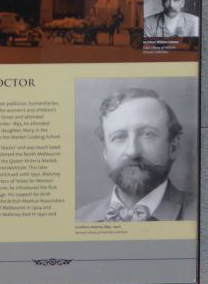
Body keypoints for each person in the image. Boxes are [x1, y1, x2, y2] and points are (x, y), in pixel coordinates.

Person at [75, 88, 196, 222]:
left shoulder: (201, 216)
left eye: (148, 134)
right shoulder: (78, 220)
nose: (132, 152)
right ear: (105, 151)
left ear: (173, 147)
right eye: (119, 137)